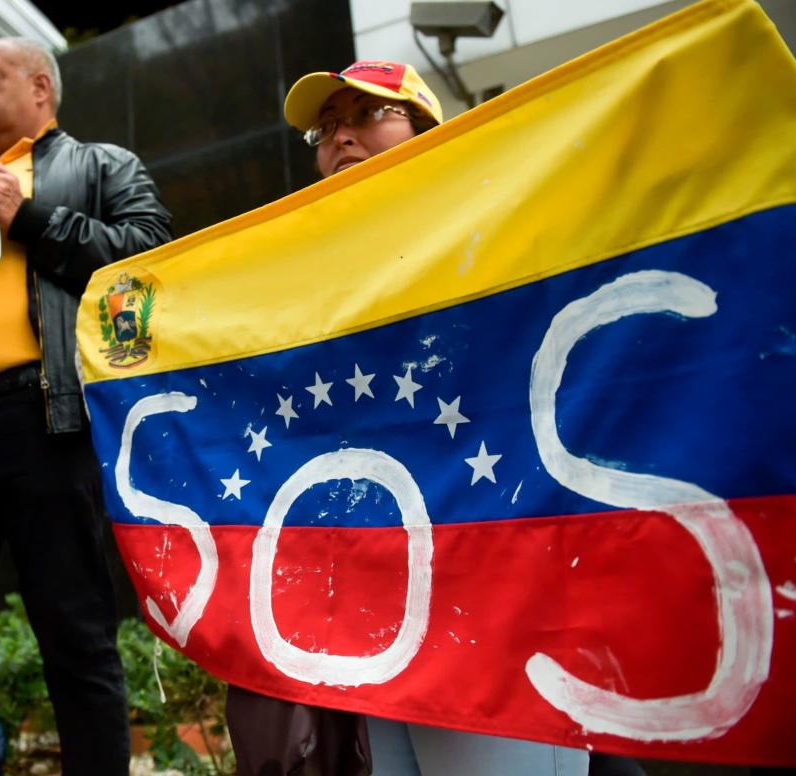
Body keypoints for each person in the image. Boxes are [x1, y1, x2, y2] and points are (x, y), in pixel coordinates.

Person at [221, 61, 589, 776]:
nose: (341, 138)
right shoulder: (294, 274)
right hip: (370, 603)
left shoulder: (501, 222)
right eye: (326, 128)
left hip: (492, 591)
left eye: (366, 116)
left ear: (430, 131)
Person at [0, 37, 172, 776]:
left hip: (49, 423)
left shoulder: (102, 166)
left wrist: (31, 217)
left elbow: (149, 258)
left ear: (40, 88)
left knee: (75, 635)